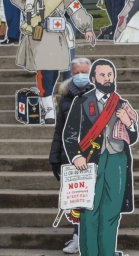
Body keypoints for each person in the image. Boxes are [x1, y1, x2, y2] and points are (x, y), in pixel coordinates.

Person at [9, 0, 96, 124]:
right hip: (39, 37)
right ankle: (48, 108)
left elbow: (74, 7)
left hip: (58, 37)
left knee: (61, 72)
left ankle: (66, 105)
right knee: (45, 74)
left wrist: (86, 27)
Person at [63, 59, 138, 256]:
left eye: (110, 75)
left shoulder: (122, 104)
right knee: (90, 213)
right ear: (94, 78)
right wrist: (76, 156)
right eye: (103, 75)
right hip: (90, 163)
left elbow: (133, 137)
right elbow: (69, 134)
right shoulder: (82, 101)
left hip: (117, 161)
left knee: (112, 212)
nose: (107, 79)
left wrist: (128, 123)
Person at [49, 57, 93, 255]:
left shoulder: (101, 95)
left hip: (94, 156)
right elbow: (59, 130)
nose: (81, 76)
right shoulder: (65, 97)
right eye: (77, 73)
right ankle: (77, 237)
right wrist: (54, 157)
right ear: (71, 74)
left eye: (85, 71)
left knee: (94, 200)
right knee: (76, 199)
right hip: (71, 157)